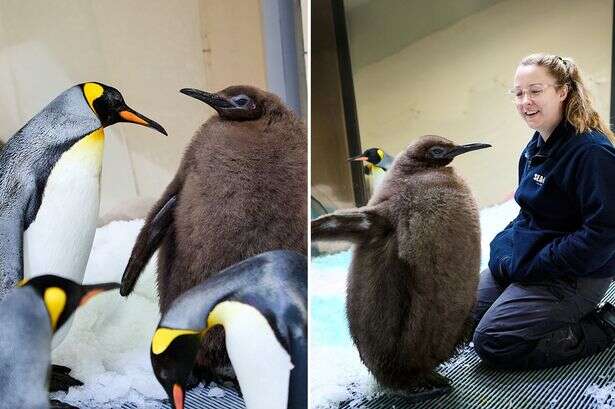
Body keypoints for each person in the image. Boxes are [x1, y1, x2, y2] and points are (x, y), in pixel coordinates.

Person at [472, 53, 615, 369]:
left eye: (535, 91)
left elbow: (603, 235)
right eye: (519, 93)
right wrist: (504, 252)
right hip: (536, 261)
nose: (525, 101)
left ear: (562, 91)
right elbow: (527, 214)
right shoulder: (535, 147)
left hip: (577, 274)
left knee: (494, 341)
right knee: (460, 316)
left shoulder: (592, 154)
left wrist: (537, 264)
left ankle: (603, 326)